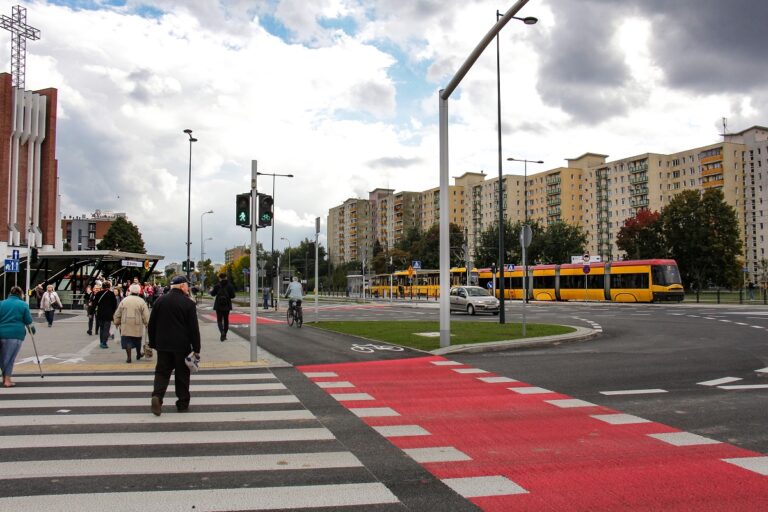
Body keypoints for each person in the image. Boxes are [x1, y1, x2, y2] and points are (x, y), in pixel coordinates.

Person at [148, 275, 201, 416]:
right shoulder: (188, 303)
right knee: (182, 374)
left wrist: (152, 342)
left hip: (163, 345)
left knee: (162, 372)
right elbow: (193, 328)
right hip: (181, 345)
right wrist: (196, 348)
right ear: (182, 286)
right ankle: (182, 403)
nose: (188, 288)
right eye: (187, 285)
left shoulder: (160, 301)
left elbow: (151, 324)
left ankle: (157, 397)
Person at [0, 286, 35, 388]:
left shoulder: (1, 303)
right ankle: (7, 380)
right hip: (15, 334)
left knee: (2, 357)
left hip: (1, 332)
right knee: (9, 358)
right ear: (21, 294)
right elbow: (28, 321)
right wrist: (32, 330)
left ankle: (4, 377)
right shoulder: (23, 305)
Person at [114, 284, 150, 363]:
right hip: (137, 323)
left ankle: (129, 357)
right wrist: (147, 323)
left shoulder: (124, 300)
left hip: (125, 323)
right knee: (137, 339)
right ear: (138, 291)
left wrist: (116, 321)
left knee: (127, 340)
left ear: (130, 291)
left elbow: (118, 313)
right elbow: (146, 314)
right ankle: (138, 354)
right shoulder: (141, 301)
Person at [210, 273, 235, 342]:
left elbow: (212, 294)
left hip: (218, 305)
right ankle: (224, 335)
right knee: (226, 320)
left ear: (219, 278)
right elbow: (233, 296)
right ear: (226, 277)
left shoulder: (217, 285)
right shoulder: (230, 286)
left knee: (219, 320)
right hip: (227, 305)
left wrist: (212, 290)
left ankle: (222, 332)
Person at [94, 281, 118, 349]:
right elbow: (114, 304)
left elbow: (95, 303)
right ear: (109, 287)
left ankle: (101, 341)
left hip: (100, 313)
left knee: (101, 328)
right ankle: (104, 343)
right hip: (108, 314)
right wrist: (113, 312)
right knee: (106, 329)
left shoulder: (98, 293)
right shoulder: (111, 294)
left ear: (102, 287)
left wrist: (91, 313)